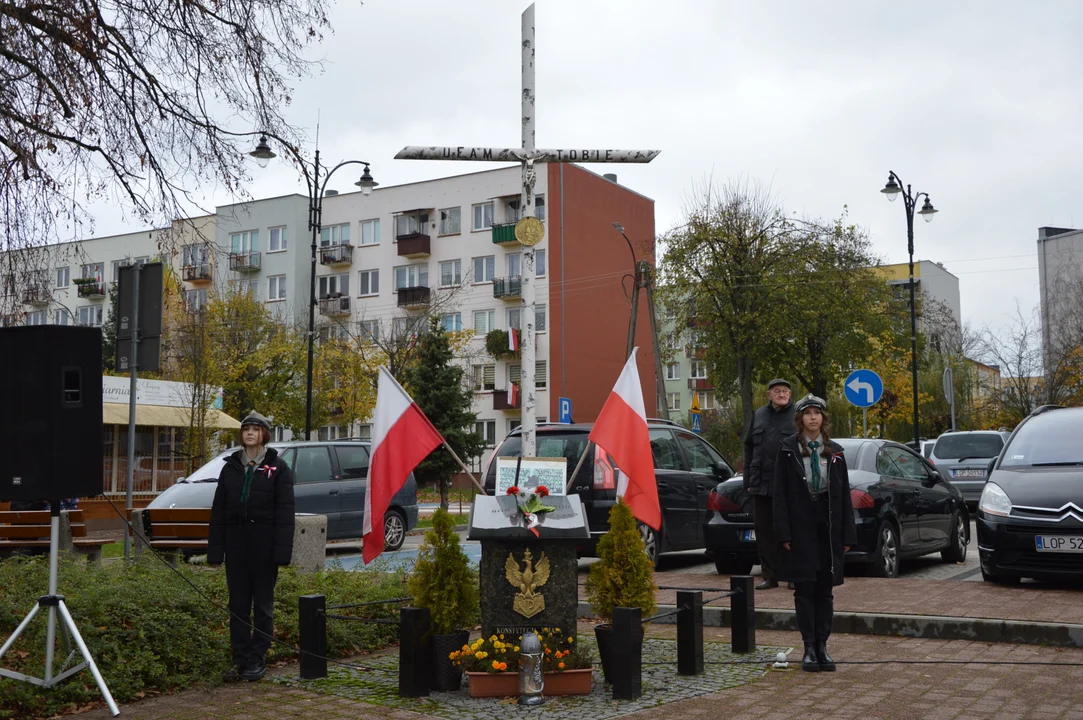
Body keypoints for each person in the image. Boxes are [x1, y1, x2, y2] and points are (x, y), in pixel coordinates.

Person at [208, 411, 295, 683]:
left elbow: (285, 513)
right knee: (238, 605)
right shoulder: (230, 467)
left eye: (256, 429)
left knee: (263, 605)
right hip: (237, 547)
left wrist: (282, 551)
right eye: (246, 429)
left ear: (264, 435)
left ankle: (258, 657)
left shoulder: (278, 468)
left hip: (264, 547)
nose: (249, 433)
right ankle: (240, 658)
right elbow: (218, 511)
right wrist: (216, 550)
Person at [773, 394, 856, 672]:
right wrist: (784, 532)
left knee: (825, 590)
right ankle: (808, 647)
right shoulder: (787, 450)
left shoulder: (836, 452)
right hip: (800, 526)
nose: (812, 418)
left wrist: (847, 535)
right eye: (807, 413)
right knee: (804, 589)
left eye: (817, 413)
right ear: (800, 419)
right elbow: (780, 495)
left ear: (823, 418)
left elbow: (844, 494)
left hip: (828, 525)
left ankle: (823, 645)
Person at [742, 378, 795, 590]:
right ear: (768, 395)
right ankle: (769, 576)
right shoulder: (760, 415)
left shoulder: (797, 416)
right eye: (777, 391)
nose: (781, 394)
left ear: (790, 395)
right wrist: (748, 479)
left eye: (785, 391)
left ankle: (792, 575)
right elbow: (748, 447)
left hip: (789, 483)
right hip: (760, 482)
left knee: (790, 530)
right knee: (764, 532)